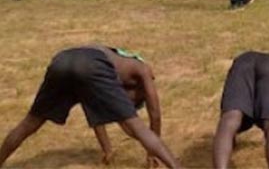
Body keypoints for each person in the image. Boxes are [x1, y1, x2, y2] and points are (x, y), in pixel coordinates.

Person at [0, 45, 179, 168]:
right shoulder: (143, 69)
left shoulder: (114, 68)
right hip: (91, 62)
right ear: (136, 90)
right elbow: (154, 114)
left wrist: (107, 149)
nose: (131, 104)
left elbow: (92, 110)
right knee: (136, 125)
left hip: (61, 60)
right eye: (136, 101)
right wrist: (151, 152)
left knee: (29, 124)